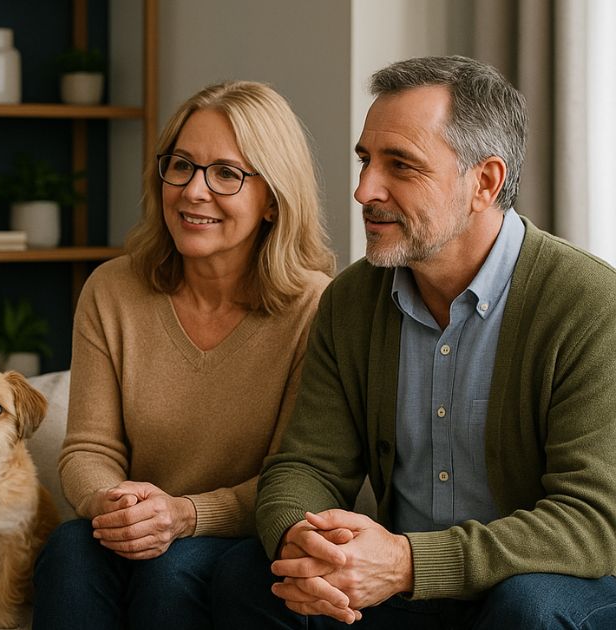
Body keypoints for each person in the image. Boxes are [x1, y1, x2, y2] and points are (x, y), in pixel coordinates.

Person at [211, 55, 616, 628]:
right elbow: (307, 465)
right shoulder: (352, 300)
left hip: (537, 586)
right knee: (246, 576)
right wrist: (304, 539)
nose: (363, 190)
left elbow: (593, 522)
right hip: (400, 594)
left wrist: (408, 562)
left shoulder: (589, 302)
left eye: (400, 165)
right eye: (365, 160)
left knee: (529, 607)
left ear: (484, 182)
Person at [32, 81, 335, 629]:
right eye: (182, 165)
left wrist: (185, 514)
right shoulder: (112, 290)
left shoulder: (315, 308)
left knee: (170, 572)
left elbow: (297, 478)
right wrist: (112, 503)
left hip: (240, 537)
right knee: (71, 548)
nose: (194, 191)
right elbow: (89, 447)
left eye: (226, 174)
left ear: (272, 199)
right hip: (136, 526)